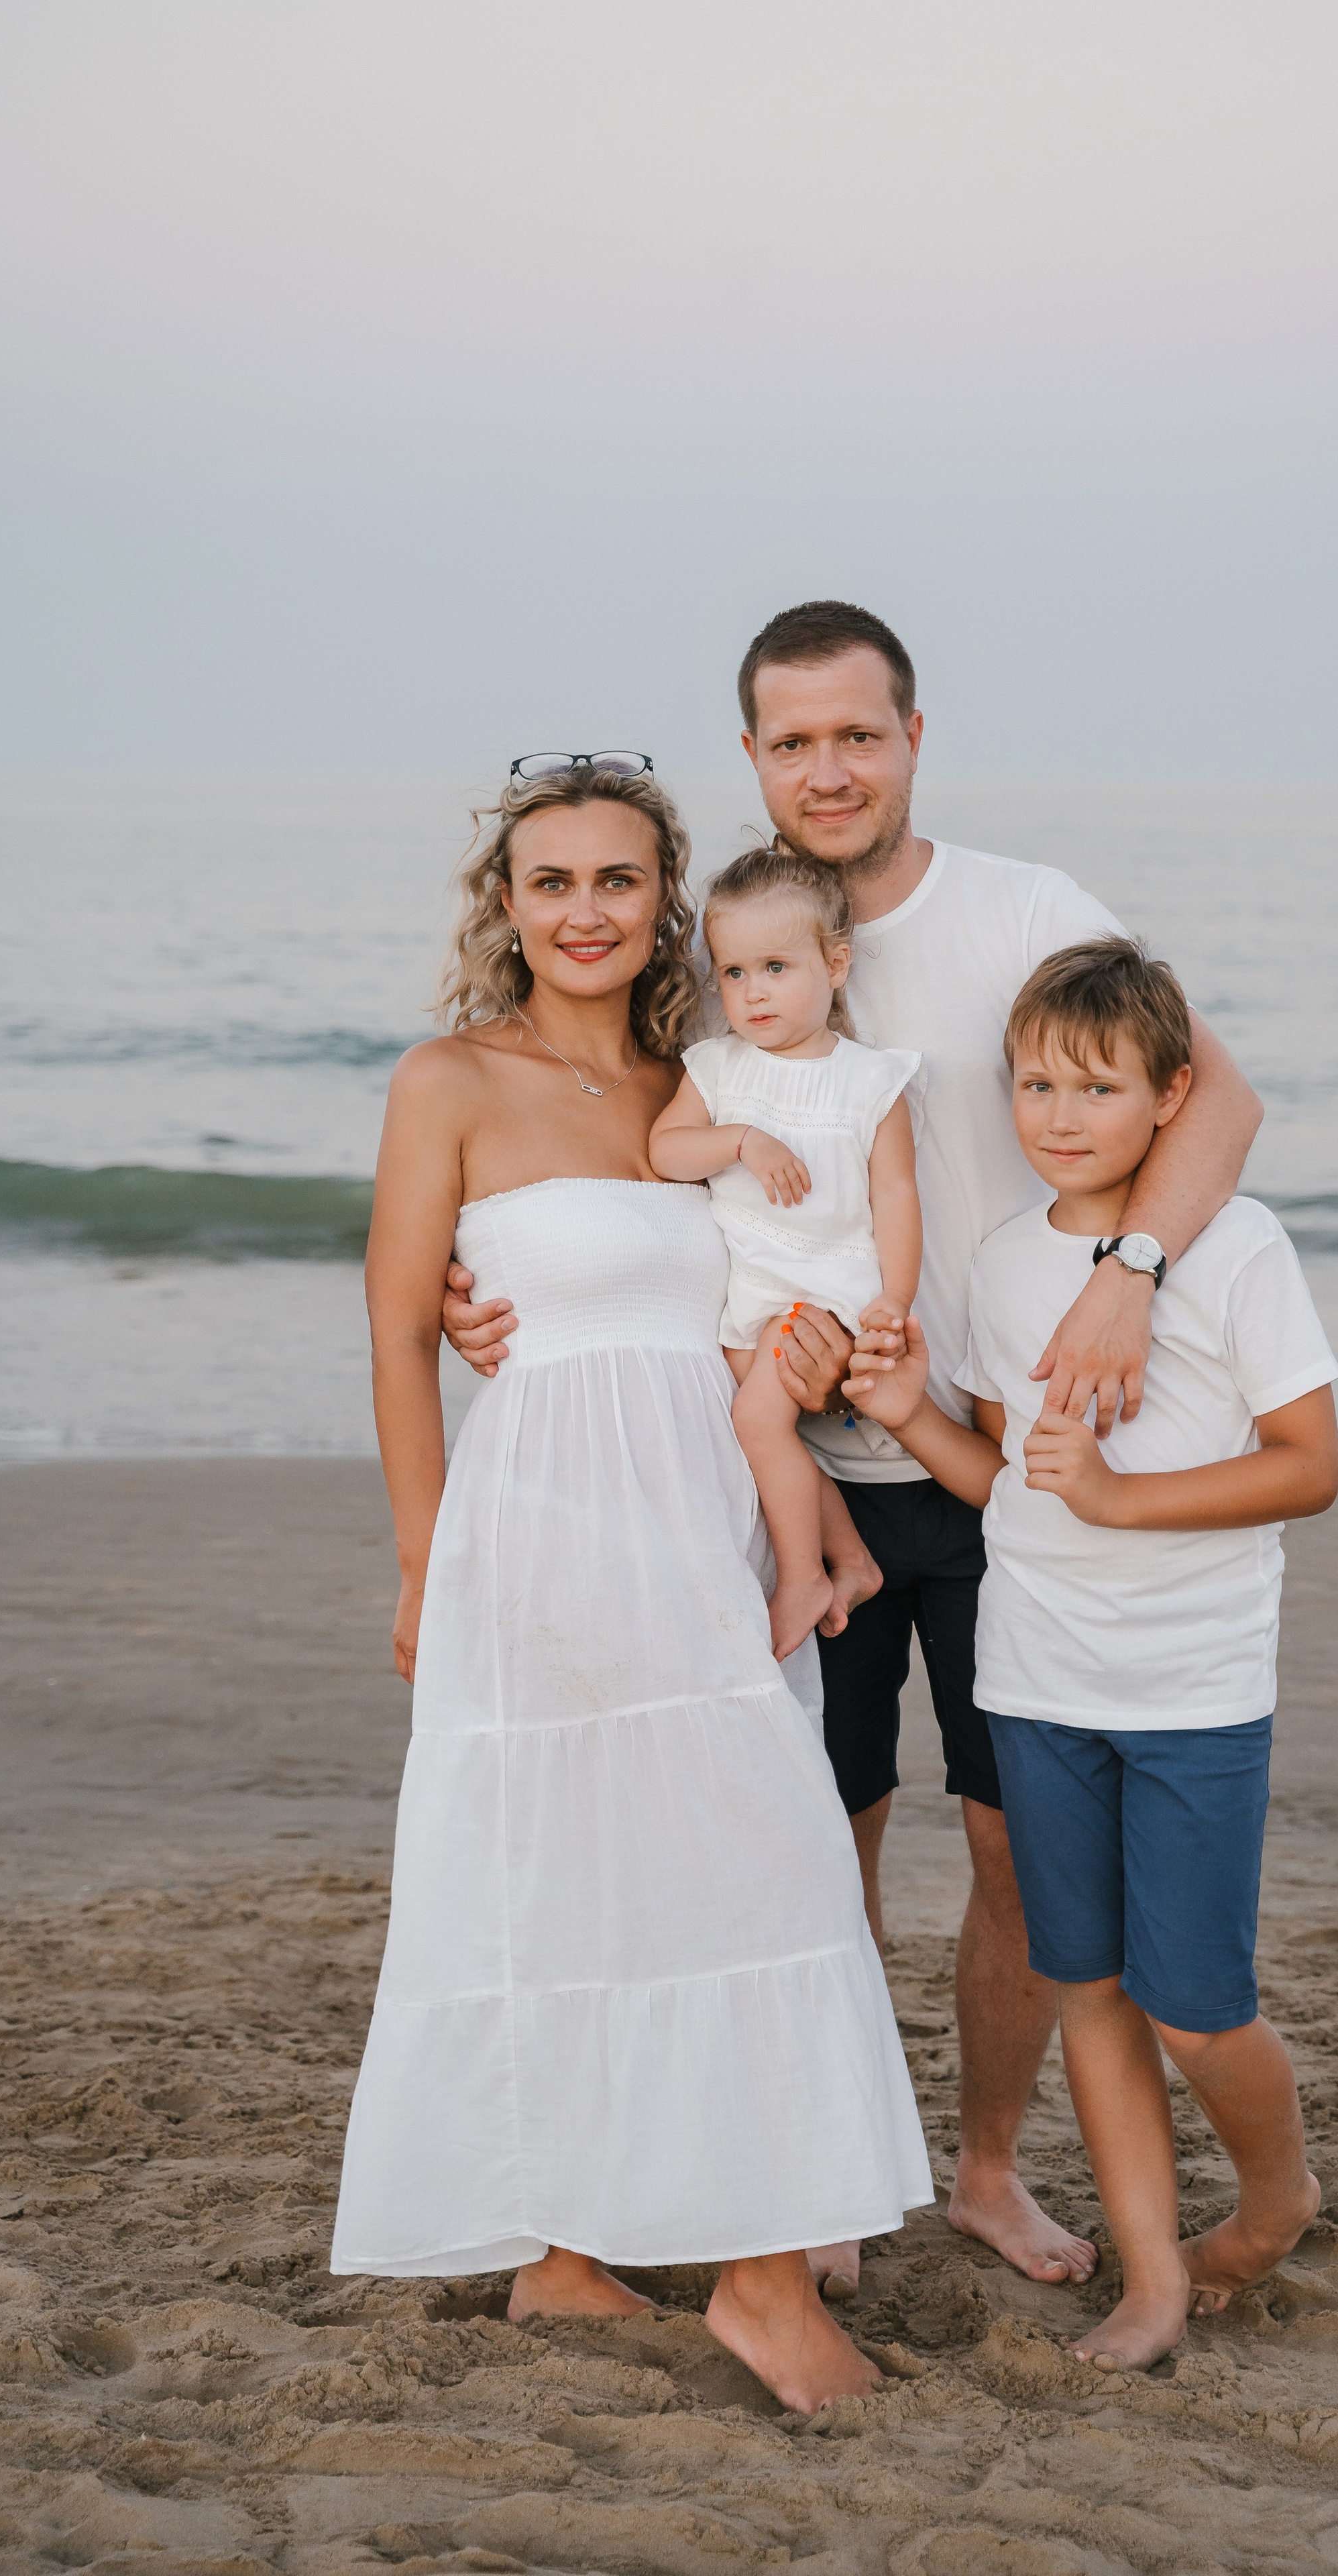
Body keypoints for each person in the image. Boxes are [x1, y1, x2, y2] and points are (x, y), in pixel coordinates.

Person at [443, 601, 1264, 2298]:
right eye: (793, 742)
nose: (828, 770)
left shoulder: (1025, 913)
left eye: (857, 735)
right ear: (751, 757)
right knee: (809, 1834)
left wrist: (1127, 1276)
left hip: (986, 1466)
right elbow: (604, 1138)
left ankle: (981, 2171)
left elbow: (1218, 1102)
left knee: (1008, 1848)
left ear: (910, 737)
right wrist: (491, 1285)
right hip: (776, 1472)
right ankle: (812, 2175)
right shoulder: (716, 949)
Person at [329, 757, 932, 2414]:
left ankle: (607, 2256)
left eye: (615, 879)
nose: (583, 911)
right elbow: (396, 1330)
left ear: (662, 899)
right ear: (506, 903)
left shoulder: (705, 1080)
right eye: (551, 881)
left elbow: (760, 1302)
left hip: (706, 1513)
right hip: (547, 1522)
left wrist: (824, 1431)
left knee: (688, 1863)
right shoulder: (450, 1079)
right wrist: (423, 1562)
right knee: (642, 1864)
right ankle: (705, 2276)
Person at [844, 936, 1338, 2368]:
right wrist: (907, 1412)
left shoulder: (1235, 1248)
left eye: (1097, 1088)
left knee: (1196, 2008)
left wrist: (1122, 1500)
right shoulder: (1006, 1265)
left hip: (1191, 1694)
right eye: (1034, 1085)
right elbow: (1009, 1479)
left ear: (1172, 1096)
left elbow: (1307, 1466)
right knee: (1089, 1991)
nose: (1058, 1117)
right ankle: (1152, 2278)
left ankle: (1274, 2197)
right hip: (1036, 1685)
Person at [649, 845, 922, 1662]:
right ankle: (853, 1558)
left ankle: (803, 1576)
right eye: (734, 973)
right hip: (751, 1292)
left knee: (757, 1421)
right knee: (768, 1429)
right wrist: (739, 1139)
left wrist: (894, 1300)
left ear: (834, 965)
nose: (753, 992)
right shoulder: (718, 1069)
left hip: (821, 1289)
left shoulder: (868, 1081)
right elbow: (666, 1150)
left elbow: (895, 1196)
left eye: (776, 967)